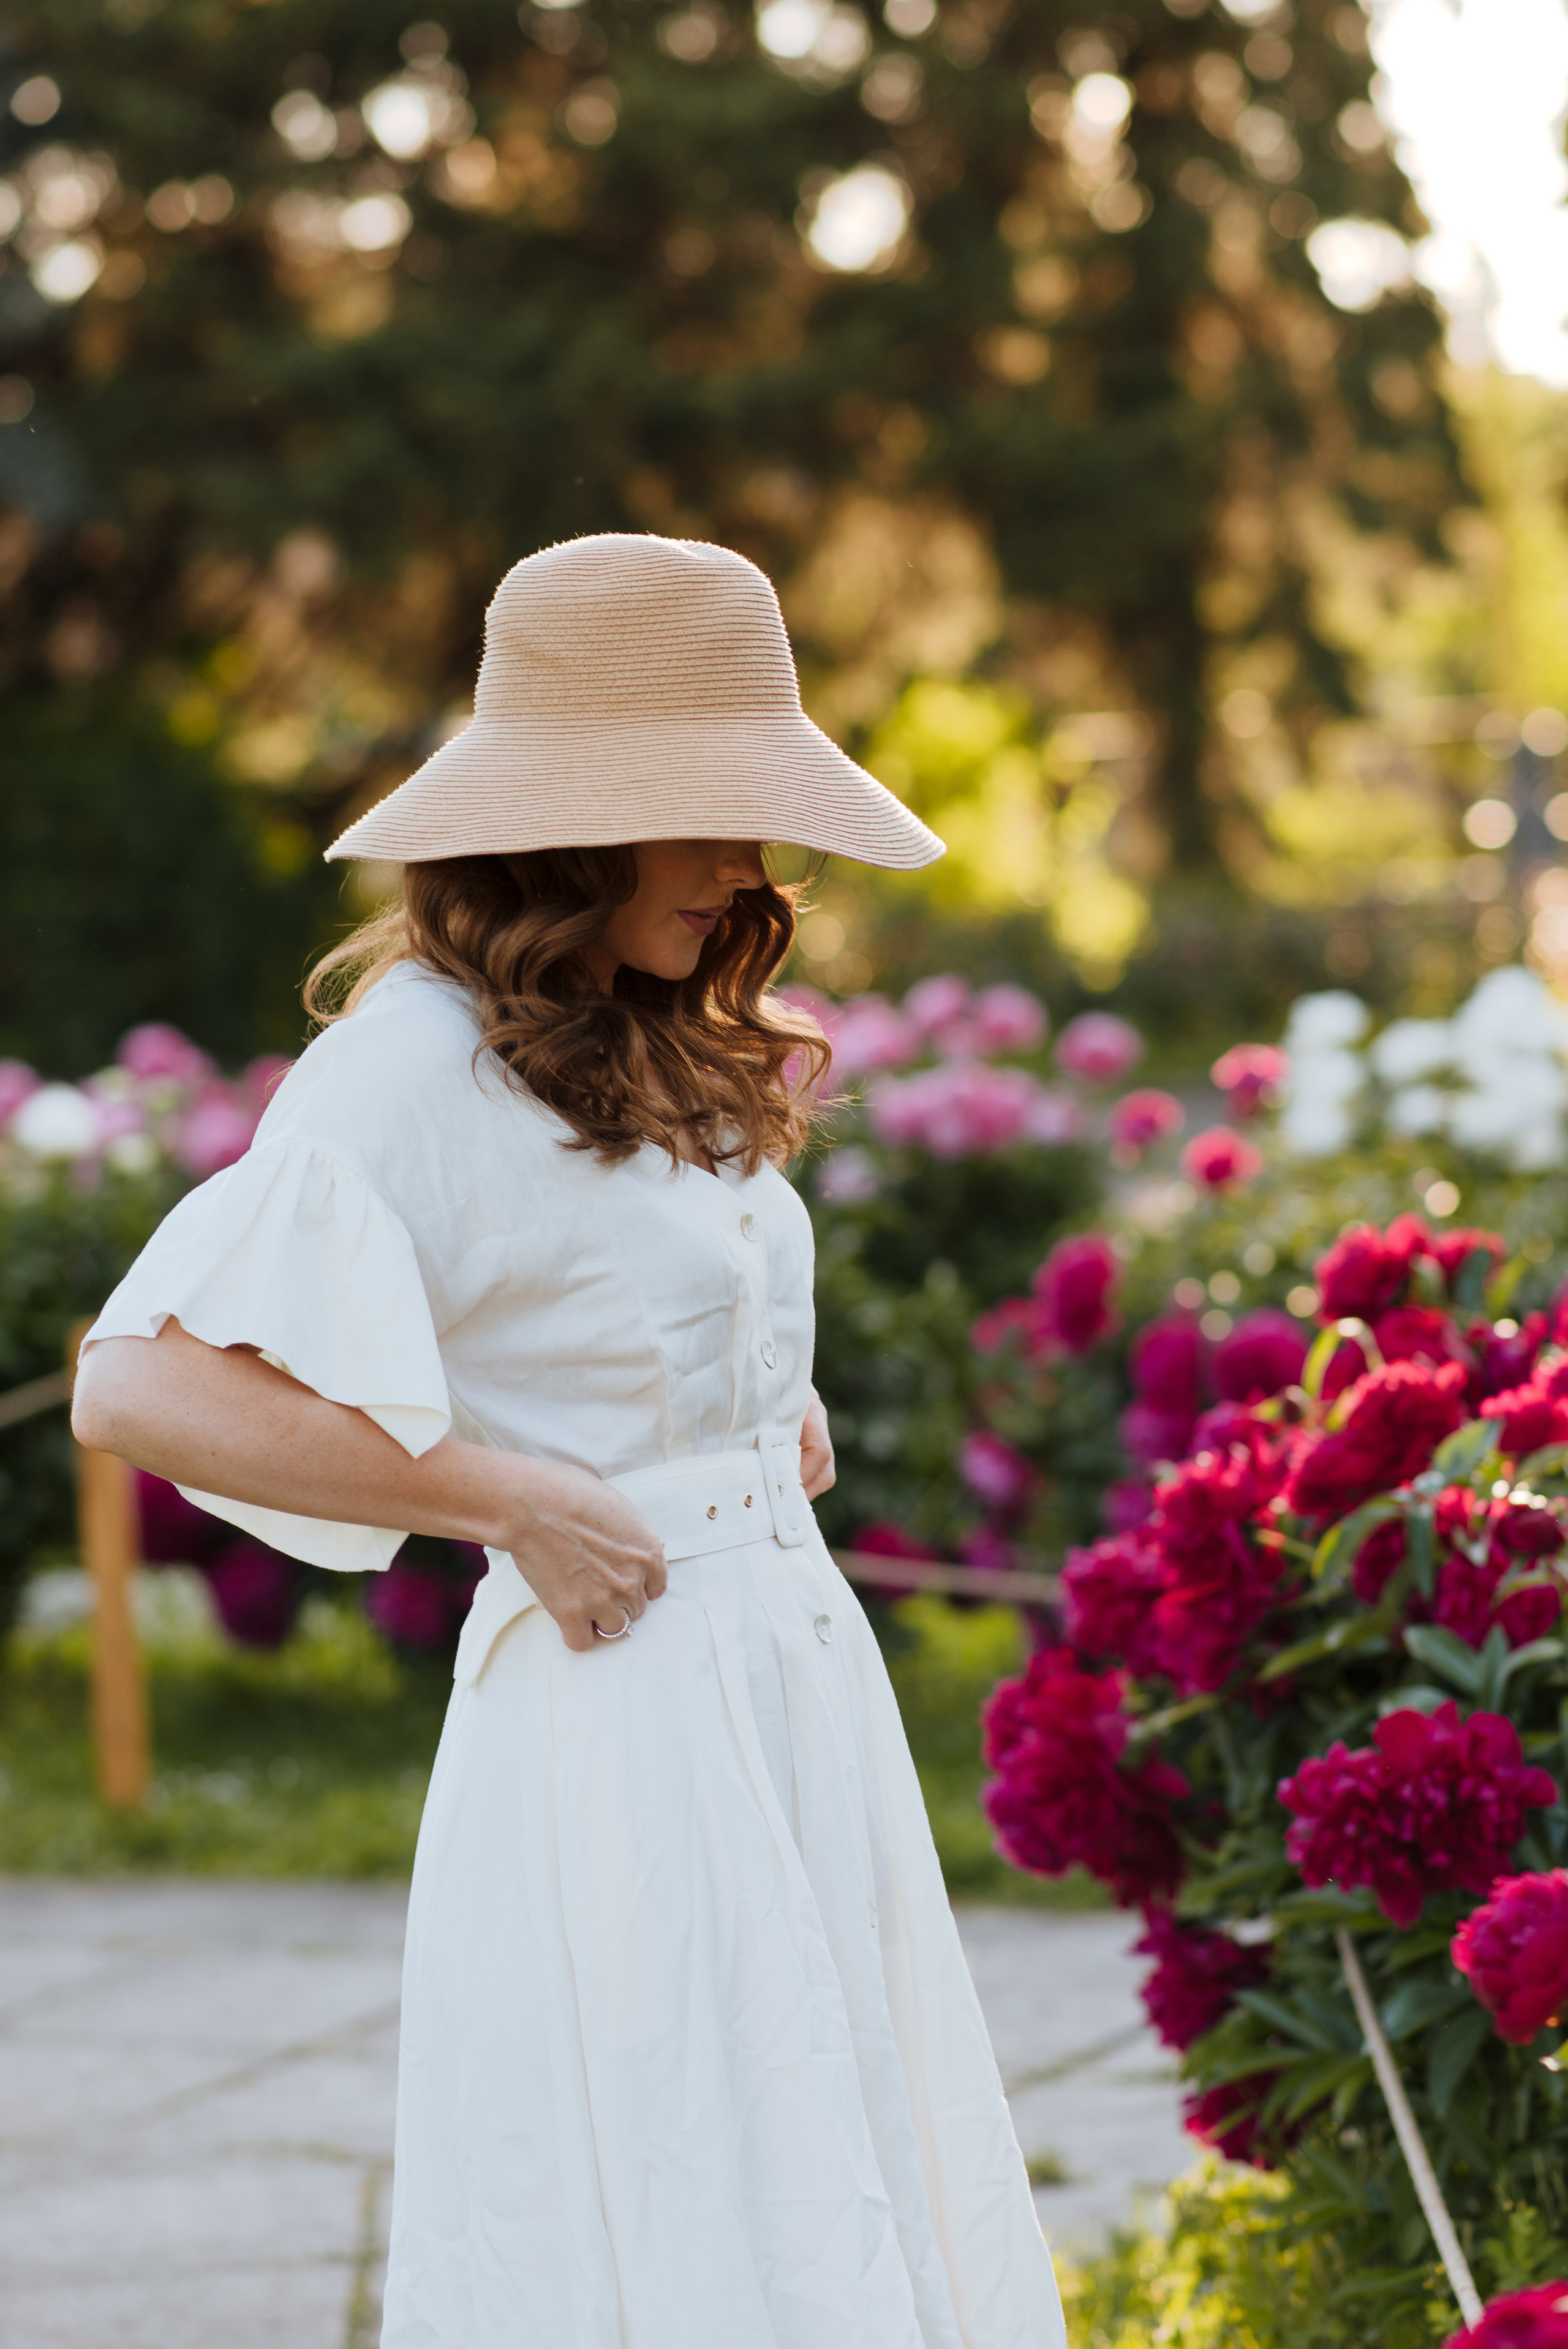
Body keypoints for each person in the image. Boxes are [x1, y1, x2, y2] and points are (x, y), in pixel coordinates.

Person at [73, 533, 1067, 2349]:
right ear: (577, 825)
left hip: (783, 1673)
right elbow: (138, 1383)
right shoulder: (412, 1060)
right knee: (677, 2178)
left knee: (819, 2160)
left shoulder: (639, 1028)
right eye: (706, 816)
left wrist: (749, 1404)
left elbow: (597, 1295)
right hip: (626, 1708)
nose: (746, 869)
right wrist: (506, 1495)